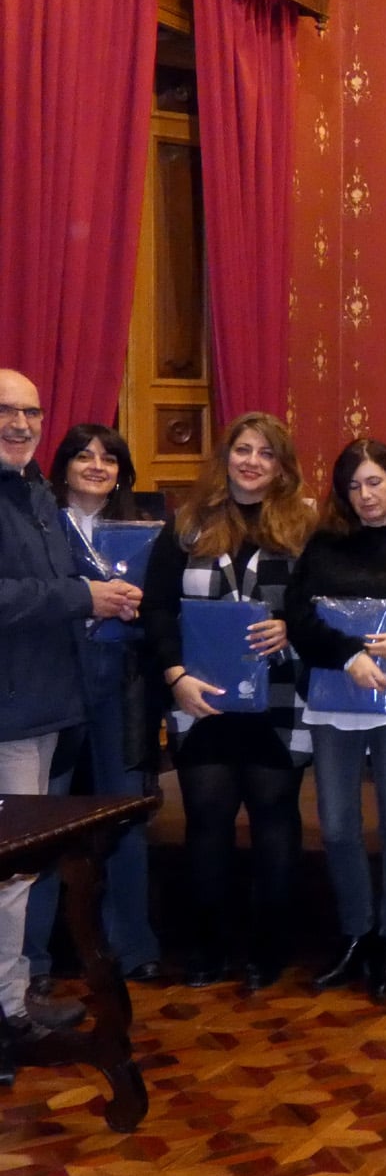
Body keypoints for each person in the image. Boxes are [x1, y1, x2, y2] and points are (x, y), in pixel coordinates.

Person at [143, 411, 316, 990]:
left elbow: (323, 604)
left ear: (281, 466)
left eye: (266, 454)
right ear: (226, 457)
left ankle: (269, 952)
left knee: (274, 821)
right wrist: (174, 677)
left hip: (280, 697)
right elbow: (159, 609)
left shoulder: (304, 526)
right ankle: (208, 948)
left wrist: (291, 626)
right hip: (200, 699)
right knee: (207, 823)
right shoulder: (187, 524)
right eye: (243, 450)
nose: (252, 462)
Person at [1, 374, 139, 1052]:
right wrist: (86, 598)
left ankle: (11, 997)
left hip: (41, 706)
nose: (22, 423)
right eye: (6, 410)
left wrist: (86, 596)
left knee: (17, 872)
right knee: (8, 871)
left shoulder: (33, 494)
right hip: (8, 710)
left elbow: (50, 586)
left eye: (32, 411)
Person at [287, 439, 386, 1002]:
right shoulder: (325, 545)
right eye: (353, 486)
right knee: (337, 826)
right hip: (334, 696)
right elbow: (299, 620)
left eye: (374, 482)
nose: (365, 496)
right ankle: (356, 935)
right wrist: (349, 654)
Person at [23, 424, 163, 1004]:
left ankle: (134, 948)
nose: (97, 465)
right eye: (84, 455)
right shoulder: (37, 522)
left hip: (123, 681)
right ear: (62, 466)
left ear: (123, 472)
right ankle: (32, 960)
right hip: (54, 677)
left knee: (124, 811)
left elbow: (168, 609)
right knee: (42, 819)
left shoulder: (150, 530)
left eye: (110, 458)